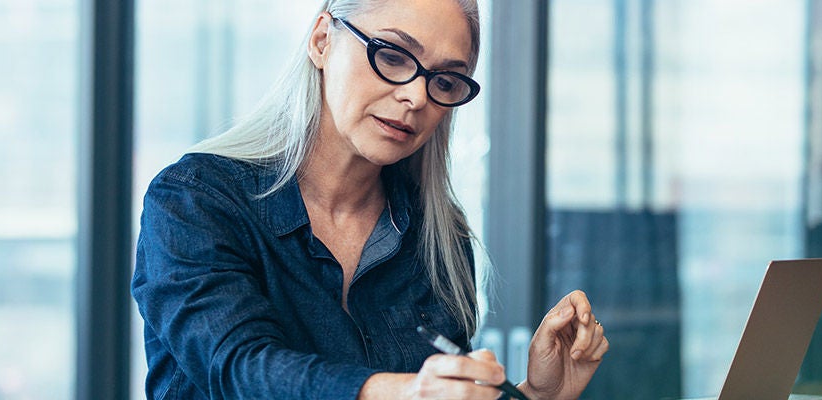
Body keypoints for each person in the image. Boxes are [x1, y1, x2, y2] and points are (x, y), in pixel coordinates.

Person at [131, 0, 608, 399]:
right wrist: (398, 392)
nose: (417, 97)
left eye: (444, 81)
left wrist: (534, 395)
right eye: (394, 54)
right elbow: (236, 367)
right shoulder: (197, 200)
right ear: (322, 41)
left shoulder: (438, 238)